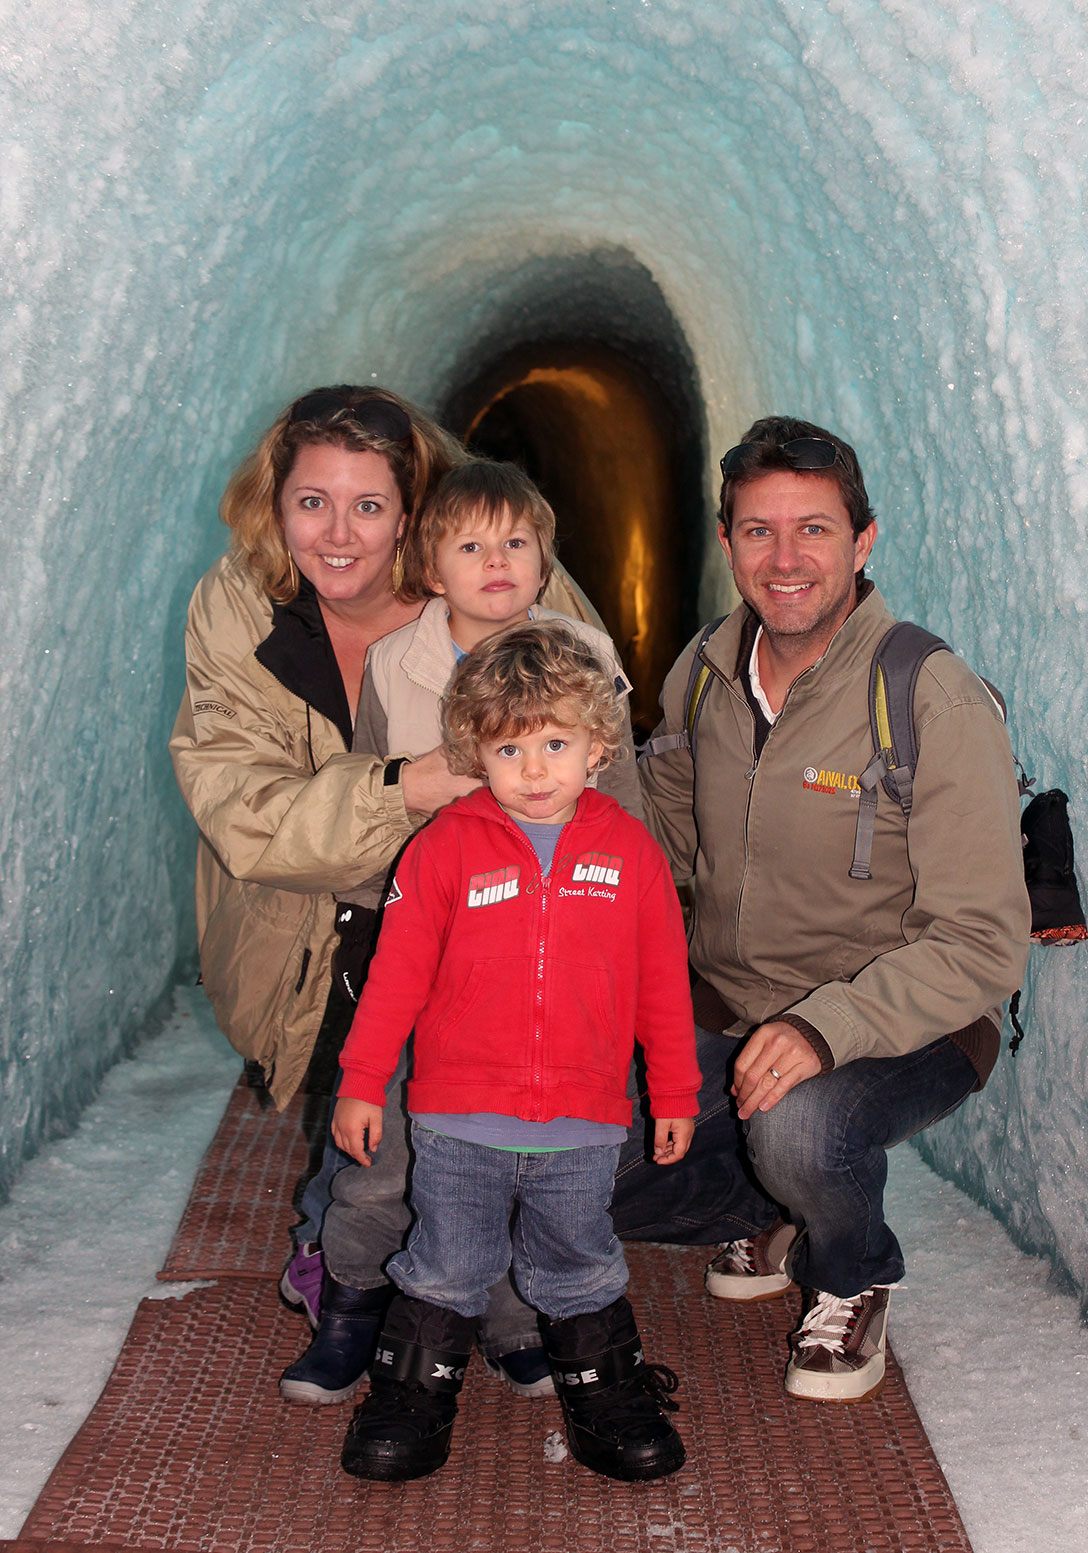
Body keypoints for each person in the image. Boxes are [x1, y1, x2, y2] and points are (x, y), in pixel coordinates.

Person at [168, 385, 604, 1330]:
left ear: (412, 514)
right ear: (272, 504)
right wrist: (405, 786)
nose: (337, 534)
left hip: (492, 908)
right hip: (310, 928)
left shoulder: (498, 571)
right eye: (310, 501)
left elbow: (591, 739)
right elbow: (241, 807)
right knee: (393, 1096)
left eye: (368, 505)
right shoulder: (238, 605)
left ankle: (464, 1268)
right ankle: (356, 1254)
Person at [620, 415, 1031, 1403]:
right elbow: (658, 849)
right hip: (729, 1011)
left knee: (800, 1127)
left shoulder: (928, 694)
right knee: (574, 1163)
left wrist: (822, 1026)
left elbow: (982, 941)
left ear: (863, 539)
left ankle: (849, 1269)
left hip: (901, 1023)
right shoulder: (704, 674)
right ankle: (767, 1201)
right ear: (726, 543)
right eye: (758, 530)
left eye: (813, 528)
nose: (785, 557)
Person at [280, 457, 645, 1404]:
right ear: (429, 565)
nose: (497, 562)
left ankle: (514, 1318)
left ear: (543, 558)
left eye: (516, 543)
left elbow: (626, 808)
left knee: (524, 1143)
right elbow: (366, 796)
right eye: (470, 545)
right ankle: (354, 1305)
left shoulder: (585, 653)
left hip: (544, 952)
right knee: (387, 1143)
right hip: (423, 938)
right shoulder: (399, 663)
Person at [333, 621, 699, 1484]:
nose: (534, 771)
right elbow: (395, 977)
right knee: (447, 1260)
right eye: (508, 749)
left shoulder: (632, 855)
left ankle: (606, 1396)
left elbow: (662, 986)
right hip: (459, 1117)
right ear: (474, 753)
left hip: (584, 1117)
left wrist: (675, 1092)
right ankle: (409, 1399)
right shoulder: (445, 847)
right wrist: (360, 1081)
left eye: (556, 743)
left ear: (599, 745)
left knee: (577, 1260)